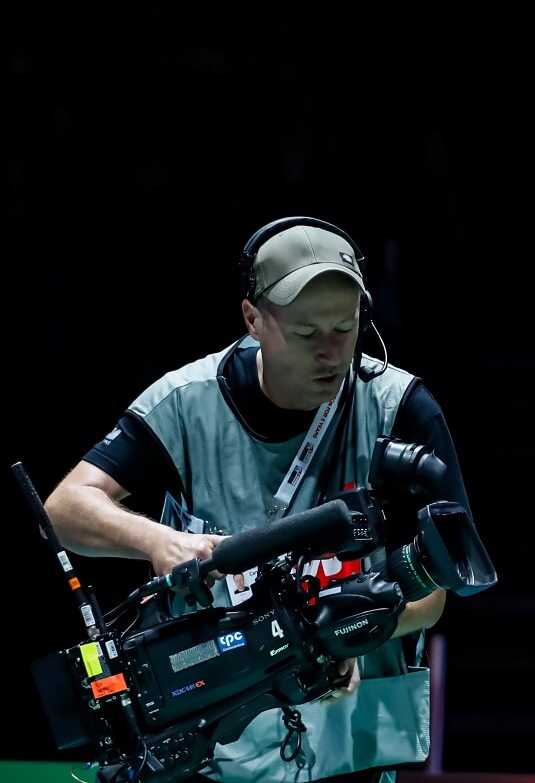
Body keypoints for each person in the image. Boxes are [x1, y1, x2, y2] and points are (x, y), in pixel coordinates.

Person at [43, 216, 476, 783]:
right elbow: (64, 509)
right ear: (253, 319)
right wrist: (161, 541)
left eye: (344, 329)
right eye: (306, 333)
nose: (330, 353)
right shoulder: (185, 403)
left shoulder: (401, 407)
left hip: (351, 746)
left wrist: (349, 633)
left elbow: (438, 586)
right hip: (213, 753)